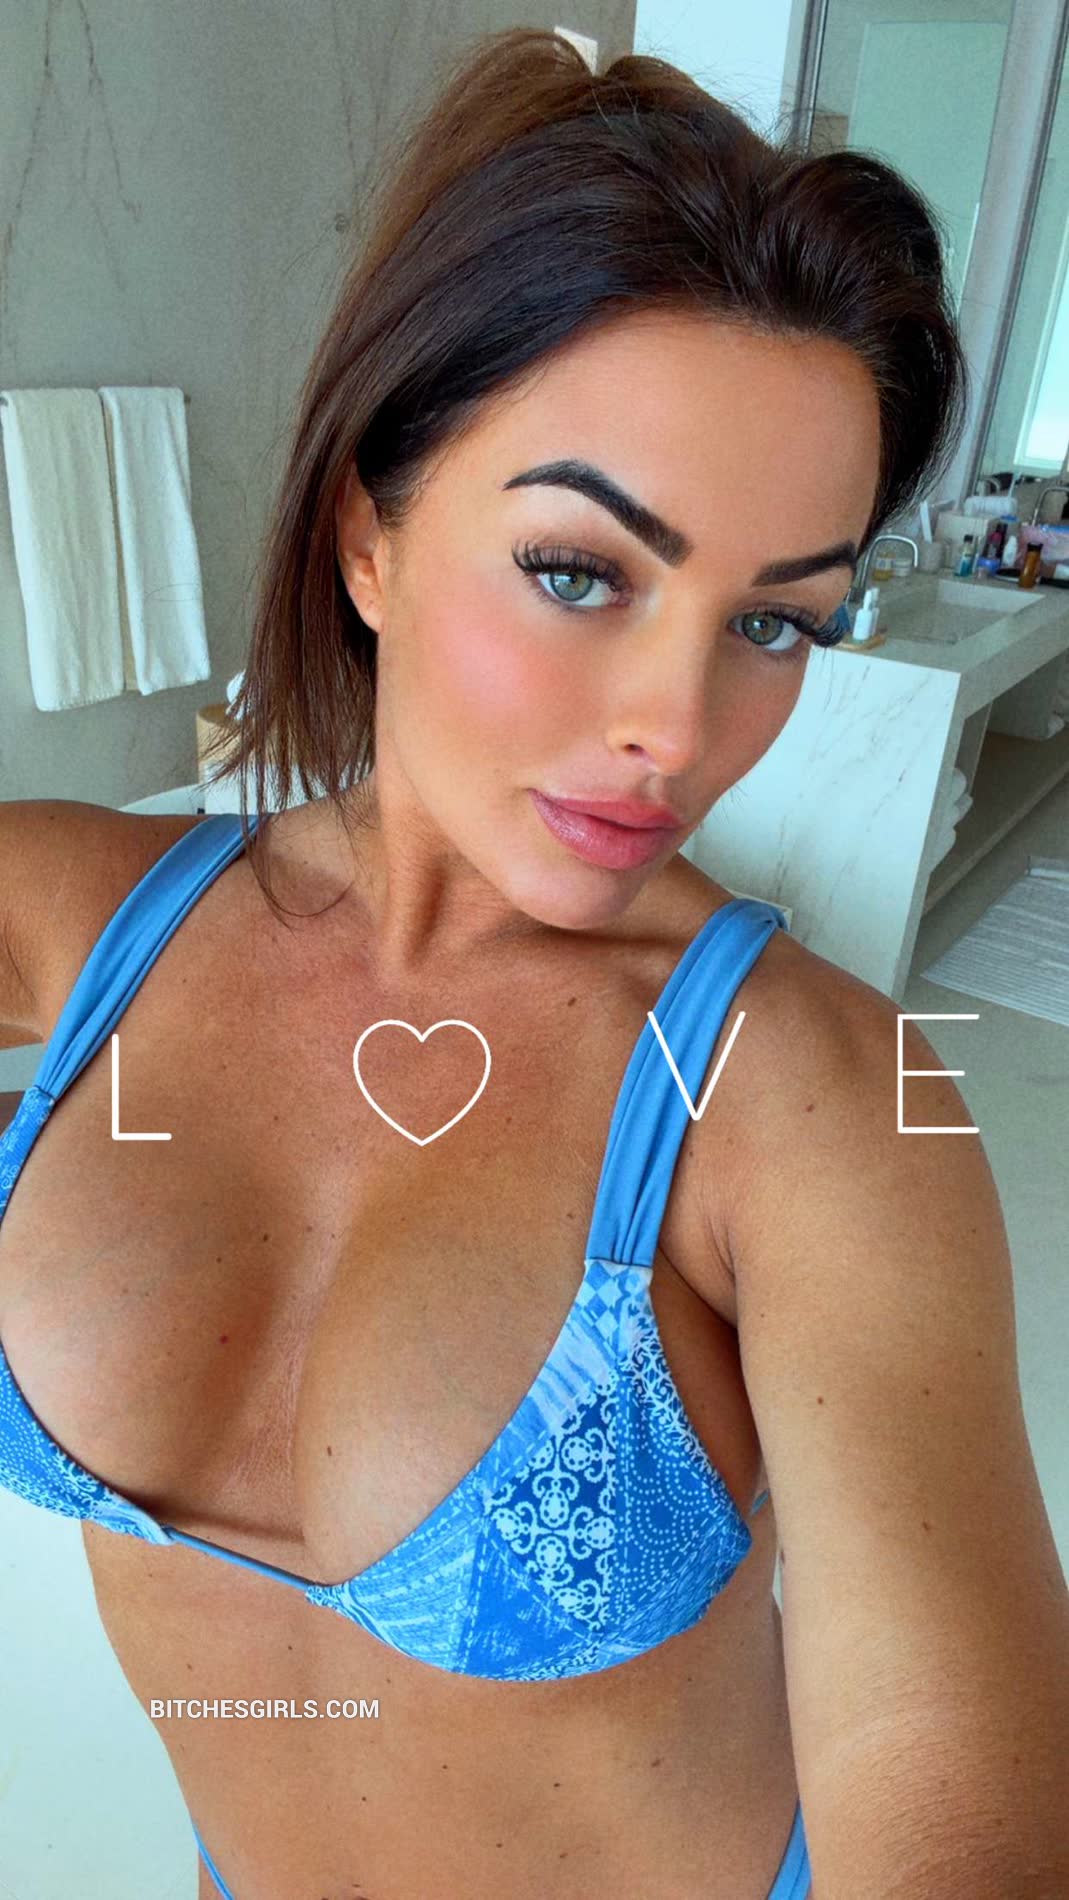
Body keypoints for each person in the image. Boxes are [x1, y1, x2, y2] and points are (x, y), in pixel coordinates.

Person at [2, 26, 1067, 1900]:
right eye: (582, 571)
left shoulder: (815, 1109)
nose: (679, 726)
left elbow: (960, 1803)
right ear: (369, 533)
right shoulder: (77, 923)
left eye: (775, 623)